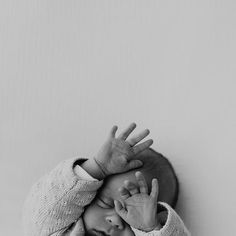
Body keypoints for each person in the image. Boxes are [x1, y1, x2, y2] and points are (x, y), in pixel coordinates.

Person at [22, 123, 190, 236]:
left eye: (133, 220)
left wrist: (151, 228)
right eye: (106, 203)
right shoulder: (63, 229)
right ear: (86, 196)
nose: (116, 220)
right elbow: (39, 215)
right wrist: (96, 168)